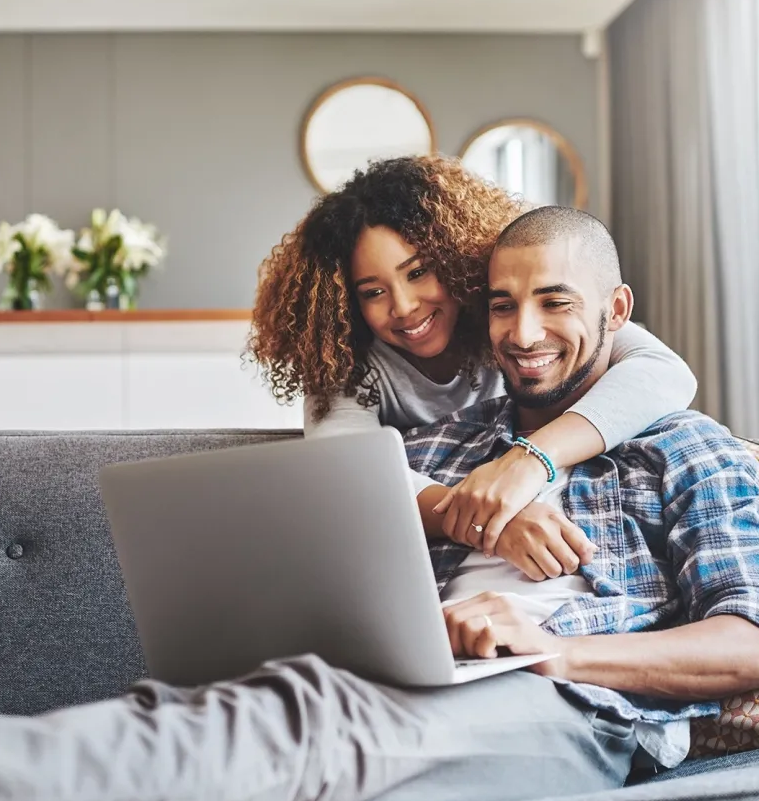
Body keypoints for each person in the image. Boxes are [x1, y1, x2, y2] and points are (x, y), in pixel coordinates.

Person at [0, 206, 759, 801]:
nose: (524, 332)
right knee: (200, 711)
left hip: (575, 710)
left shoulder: (684, 446)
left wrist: (554, 653)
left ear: (616, 310)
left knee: (307, 719)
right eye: (502, 306)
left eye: (554, 302)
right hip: (402, 677)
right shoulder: (439, 448)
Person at [248, 155, 698, 576]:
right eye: (373, 292)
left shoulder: (512, 318)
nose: (403, 306)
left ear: (456, 259)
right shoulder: (344, 364)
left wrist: (530, 460)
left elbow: (666, 372)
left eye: (418, 272)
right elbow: (344, 469)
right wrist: (489, 520)